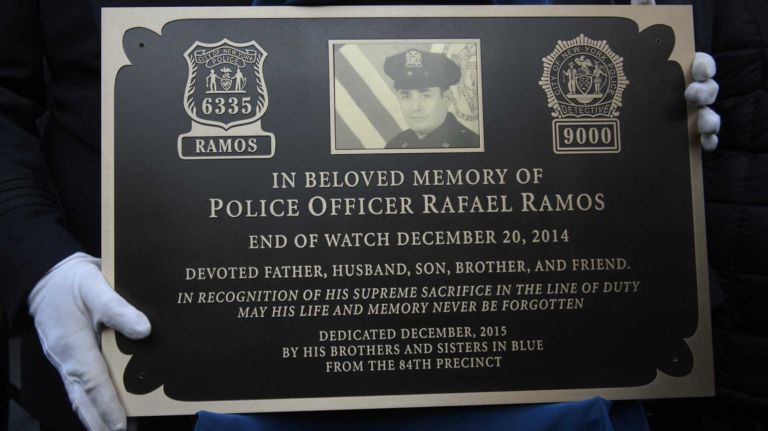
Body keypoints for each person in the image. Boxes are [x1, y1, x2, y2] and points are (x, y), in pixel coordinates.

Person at [0, 1, 720, 431]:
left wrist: (654, 118)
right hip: (161, 368)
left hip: (547, 387)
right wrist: (36, 259)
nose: (412, 101)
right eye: (404, 95)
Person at [383, 49, 480, 149]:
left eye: (425, 96)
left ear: (447, 98)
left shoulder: (470, 145)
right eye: (406, 96)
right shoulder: (395, 145)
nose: (415, 107)